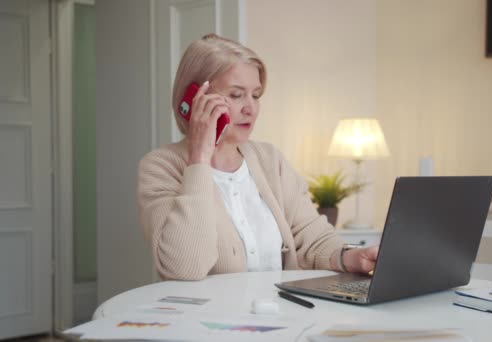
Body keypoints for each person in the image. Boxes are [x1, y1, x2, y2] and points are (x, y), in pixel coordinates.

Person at [137, 34, 378, 281]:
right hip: (207, 316)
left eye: (256, 95)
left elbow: (312, 236)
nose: (250, 108)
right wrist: (199, 158)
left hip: (281, 314)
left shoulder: (269, 159)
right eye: (236, 94)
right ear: (194, 98)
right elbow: (184, 267)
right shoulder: (160, 166)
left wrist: (351, 257)